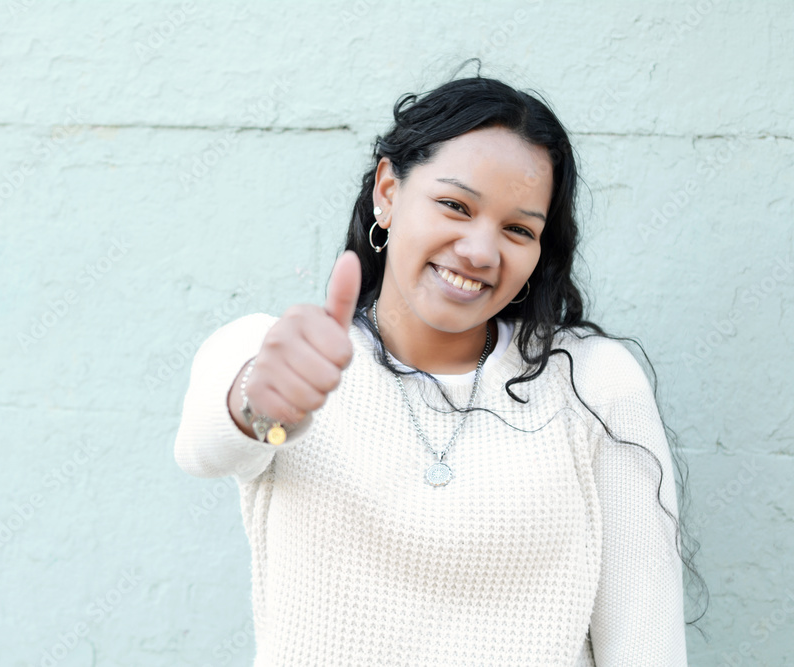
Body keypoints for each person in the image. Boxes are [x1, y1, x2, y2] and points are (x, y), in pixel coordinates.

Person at [174, 70, 701, 666]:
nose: (479, 250)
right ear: (388, 192)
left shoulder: (595, 382)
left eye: (518, 229)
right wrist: (267, 405)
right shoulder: (277, 349)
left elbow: (646, 644)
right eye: (455, 205)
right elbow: (209, 448)